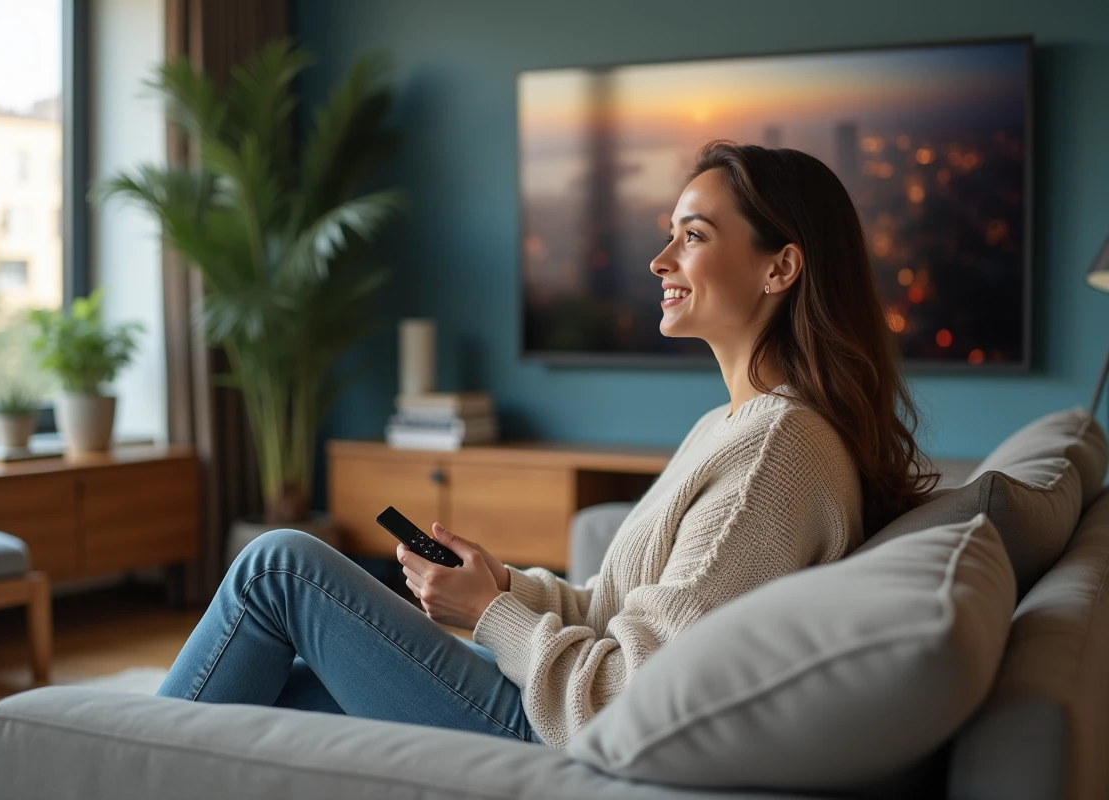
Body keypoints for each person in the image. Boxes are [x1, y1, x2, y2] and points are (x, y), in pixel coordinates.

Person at [156, 140, 941, 749]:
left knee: (278, 567)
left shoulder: (776, 451)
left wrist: (490, 613)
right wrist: (505, 584)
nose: (659, 261)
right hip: (551, 704)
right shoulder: (734, 425)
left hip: (557, 736)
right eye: (669, 234)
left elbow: (631, 696)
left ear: (781, 267)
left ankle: (117, 758)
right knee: (282, 686)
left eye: (693, 236)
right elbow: (615, 611)